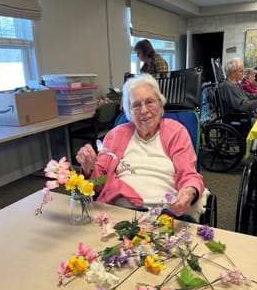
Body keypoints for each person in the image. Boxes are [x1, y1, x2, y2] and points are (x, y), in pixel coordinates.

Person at [76, 74, 204, 219]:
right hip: (118, 213)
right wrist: (89, 166)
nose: (144, 110)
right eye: (136, 105)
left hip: (165, 215)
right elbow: (99, 182)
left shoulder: (176, 132)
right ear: (129, 111)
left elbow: (189, 174)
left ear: (160, 105)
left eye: (149, 102)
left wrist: (188, 191)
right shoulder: (115, 135)